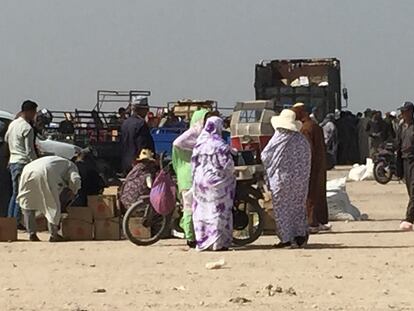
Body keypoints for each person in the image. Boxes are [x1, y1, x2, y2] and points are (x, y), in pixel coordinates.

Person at [261, 109, 311, 248]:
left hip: (282, 180)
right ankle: (299, 236)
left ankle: (287, 239)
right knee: (297, 208)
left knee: (282, 209)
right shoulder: (301, 139)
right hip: (300, 181)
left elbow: (265, 156)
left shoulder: (279, 137)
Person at [191, 116, 236, 251]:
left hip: (200, 182)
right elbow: (226, 165)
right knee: (217, 211)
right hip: (216, 182)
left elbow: (193, 164)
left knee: (202, 212)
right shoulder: (220, 145)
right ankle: (217, 243)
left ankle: (203, 240)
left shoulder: (199, 143)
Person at [17, 156, 81, 241]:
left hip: (27, 170)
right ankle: (53, 235)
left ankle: (31, 233)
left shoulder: (57, 161)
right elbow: (75, 179)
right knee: (52, 204)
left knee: (28, 203)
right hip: (45, 172)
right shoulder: (71, 165)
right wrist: (74, 191)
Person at [172, 109, 209, 248]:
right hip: (187, 174)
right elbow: (177, 143)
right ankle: (190, 238)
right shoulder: (190, 136)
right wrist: (194, 148)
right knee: (189, 207)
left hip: (195, 174)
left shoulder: (201, 136)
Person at [292, 103, 330, 233]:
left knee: (310, 195)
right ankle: (319, 220)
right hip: (319, 165)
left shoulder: (306, 128)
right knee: (318, 193)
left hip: (311, 166)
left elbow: (308, 150)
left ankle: (312, 222)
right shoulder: (314, 126)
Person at [5, 100, 38, 220]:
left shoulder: (12, 124)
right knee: (22, 194)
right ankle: (16, 220)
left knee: (15, 194)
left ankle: (10, 220)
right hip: (23, 162)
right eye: (34, 112)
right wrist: (36, 163)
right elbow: (29, 150)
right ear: (29, 112)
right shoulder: (27, 128)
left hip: (13, 161)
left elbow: (6, 139)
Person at [121, 101, 155, 174]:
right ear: (140, 109)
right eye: (146, 108)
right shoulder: (141, 124)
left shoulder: (125, 122)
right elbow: (143, 145)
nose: (147, 111)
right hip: (138, 164)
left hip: (126, 162)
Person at [396, 102, 414, 230]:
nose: (402, 114)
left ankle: (409, 217)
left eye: (405, 111)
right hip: (404, 161)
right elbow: (399, 145)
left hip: (413, 161)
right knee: (410, 190)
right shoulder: (402, 127)